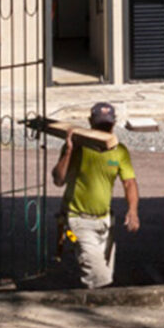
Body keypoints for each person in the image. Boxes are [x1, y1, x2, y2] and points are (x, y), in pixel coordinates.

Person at [52, 100, 140, 288]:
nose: (103, 130)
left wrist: (133, 210)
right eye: (100, 125)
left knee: (103, 274)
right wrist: (68, 152)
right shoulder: (76, 147)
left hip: (105, 223)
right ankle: (73, 242)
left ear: (114, 123)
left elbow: (129, 182)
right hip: (77, 221)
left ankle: (77, 252)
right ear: (90, 123)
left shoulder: (119, 151)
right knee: (100, 277)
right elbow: (58, 180)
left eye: (107, 126)